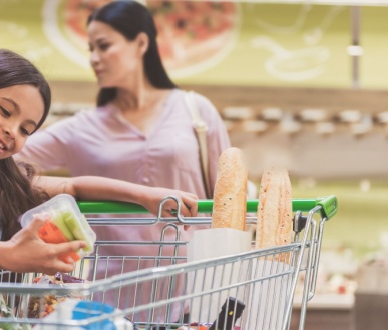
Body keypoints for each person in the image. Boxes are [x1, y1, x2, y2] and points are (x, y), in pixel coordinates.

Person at [0, 48, 199, 282]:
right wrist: (8, 254)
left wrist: (145, 196)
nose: (11, 131)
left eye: (26, 129)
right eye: (5, 111)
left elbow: (73, 186)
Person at [14, 1, 231, 323]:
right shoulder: (81, 128)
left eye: (104, 46)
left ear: (141, 43)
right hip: (108, 292)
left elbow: (226, 197)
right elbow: (3, 160)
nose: (94, 59)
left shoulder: (196, 111)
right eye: (90, 49)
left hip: (193, 288)